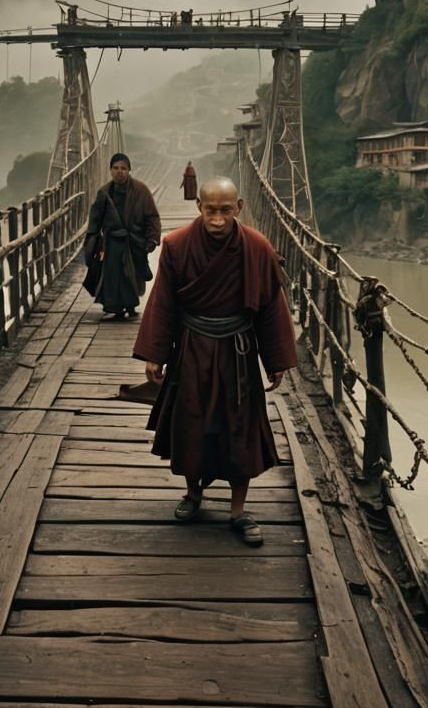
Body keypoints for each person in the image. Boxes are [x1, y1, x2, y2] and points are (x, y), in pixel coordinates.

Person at [133, 176, 296, 546]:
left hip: (238, 351)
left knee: (241, 427)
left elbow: (272, 306)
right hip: (191, 348)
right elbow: (163, 302)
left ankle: (238, 510)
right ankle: (194, 495)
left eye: (226, 210)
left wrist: (276, 359)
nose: (218, 219)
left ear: (238, 208)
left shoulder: (258, 247)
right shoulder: (176, 246)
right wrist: (155, 355)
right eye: (211, 210)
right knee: (191, 423)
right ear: (199, 208)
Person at [83, 153, 161, 320]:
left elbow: (152, 216)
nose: (120, 172)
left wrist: (152, 238)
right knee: (113, 276)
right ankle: (116, 308)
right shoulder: (104, 192)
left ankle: (131, 306)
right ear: (111, 170)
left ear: (129, 170)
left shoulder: (141, 190)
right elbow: (95, 220)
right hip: (112, 242)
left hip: (134, 240)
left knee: (132, 274)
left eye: (123, 168)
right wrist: (91, 242)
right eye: (116, 168)